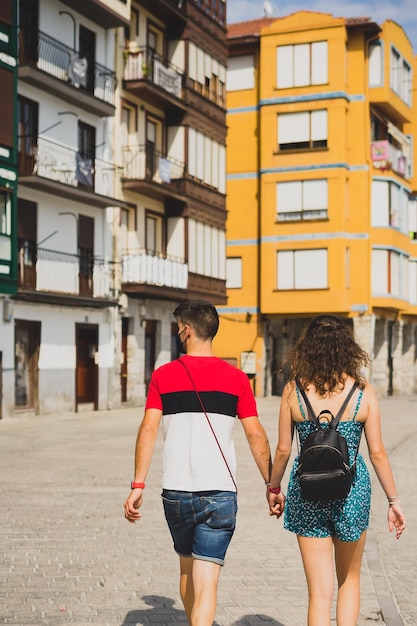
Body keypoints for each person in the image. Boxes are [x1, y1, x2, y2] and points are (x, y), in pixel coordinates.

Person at [124, 299, 272, 626]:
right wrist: (270, 484)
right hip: (219, 494)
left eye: (178, 327)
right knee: (207, 582)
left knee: (187, 569)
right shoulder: (236, 379)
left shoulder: (163, 376)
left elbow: (148, 428)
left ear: (187, 330)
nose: (179, 332)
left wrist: (137, 484)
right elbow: (256, 435)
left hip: (175, 493)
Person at [267, 315, 406, 626]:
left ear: (306, 348)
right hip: (352, 493)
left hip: (307, 493)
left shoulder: (293, 391)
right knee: (350, 581)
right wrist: (393, 502)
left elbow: (284, 450)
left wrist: (273, 488)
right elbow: (378, 453)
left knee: (319, 593)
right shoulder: (361, 391)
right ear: (347, 348)